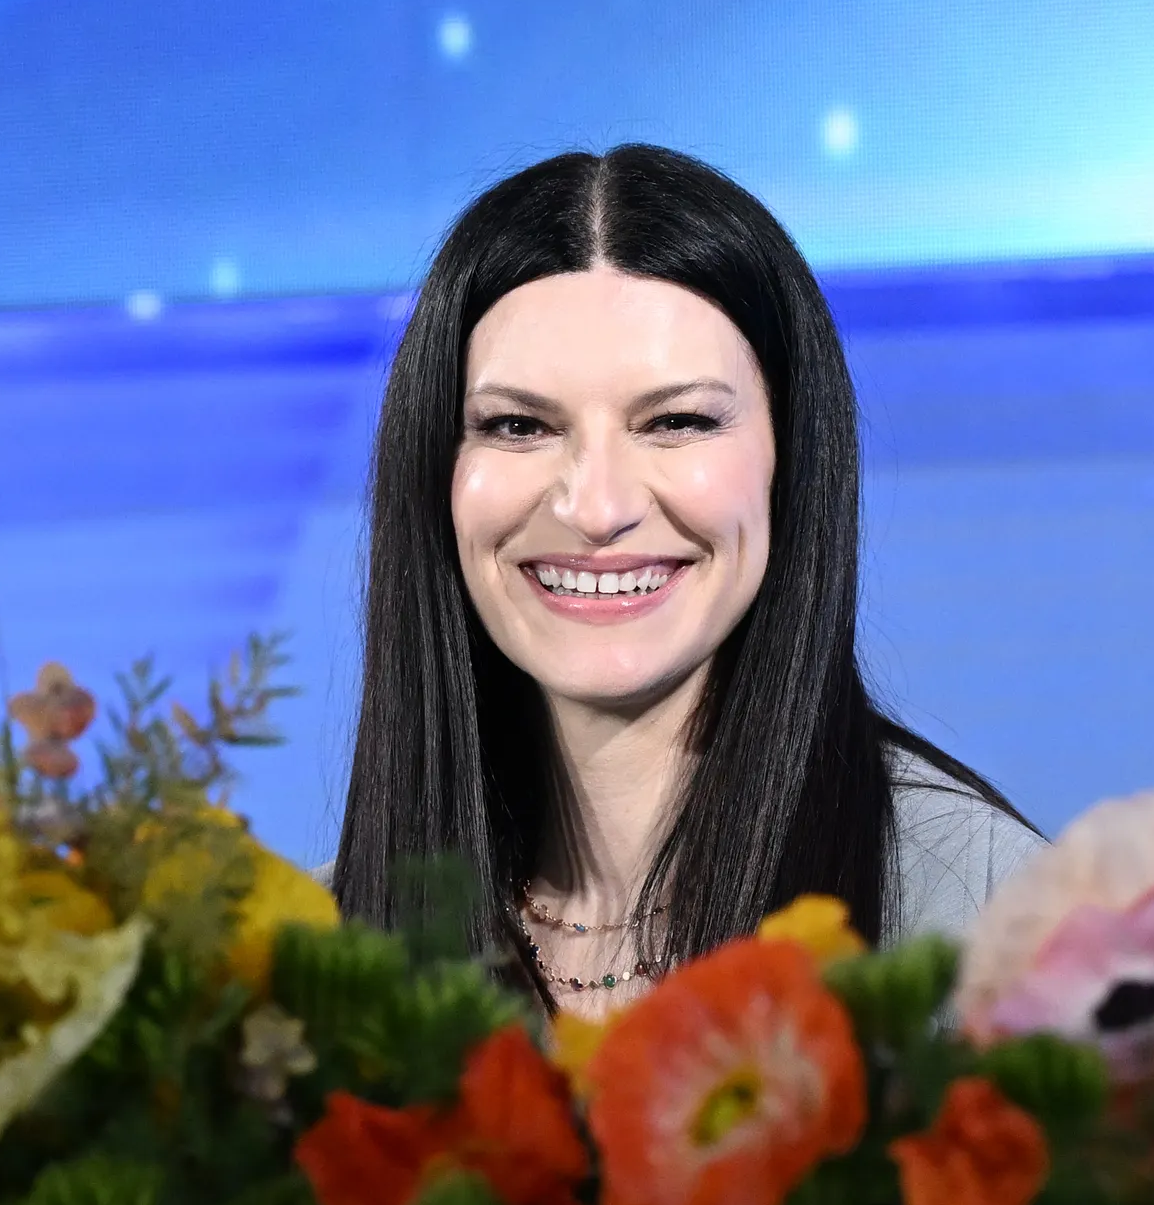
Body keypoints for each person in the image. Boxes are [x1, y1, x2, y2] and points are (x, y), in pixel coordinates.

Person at [330, 144, 1044, 1014]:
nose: (596, 507)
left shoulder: (993, 926)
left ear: (791, 461)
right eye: (518, 426)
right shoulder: (299, 965)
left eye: (676, 421)